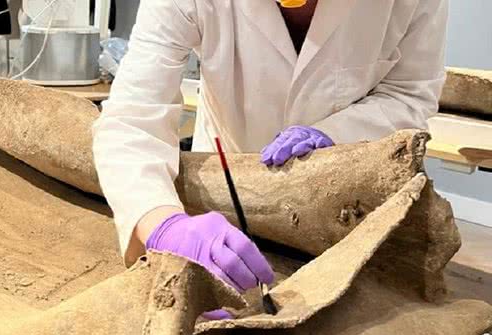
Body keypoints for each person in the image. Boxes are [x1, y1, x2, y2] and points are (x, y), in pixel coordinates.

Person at [93, 0, 447, 295]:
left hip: (354, 211)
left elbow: (409, 95)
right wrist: (160, 222)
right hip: (228, 197)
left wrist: (338, 134)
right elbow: (133, 116)